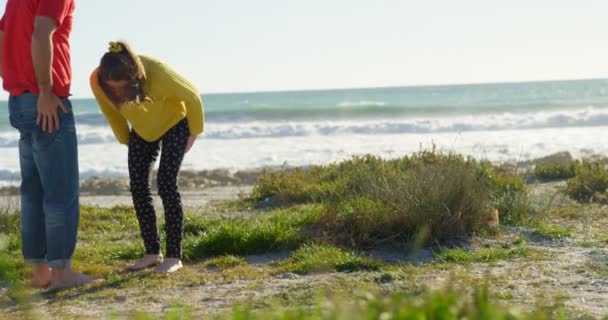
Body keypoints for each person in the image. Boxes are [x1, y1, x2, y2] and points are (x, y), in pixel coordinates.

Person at [0, 0, 93, 289]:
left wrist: (17, 83)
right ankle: (62, 274)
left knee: (34, 191)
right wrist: (44, 90)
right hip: (44, 99)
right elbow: (42, 34)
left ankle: (41, 274)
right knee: (60, 190)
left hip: (19, 100)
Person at [90, 41, 204, 273]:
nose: (117, 93)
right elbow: (111, 113)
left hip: (175, 123)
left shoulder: (155, 71)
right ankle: (152, 252)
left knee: (166, 184)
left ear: (134, 78)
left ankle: (174, 257)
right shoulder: (97, 81)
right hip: (142, 131)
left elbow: (191, 96)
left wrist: (194, 131)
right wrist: (127, 140)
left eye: (121, 88)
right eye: (113, 89)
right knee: (138, 187)